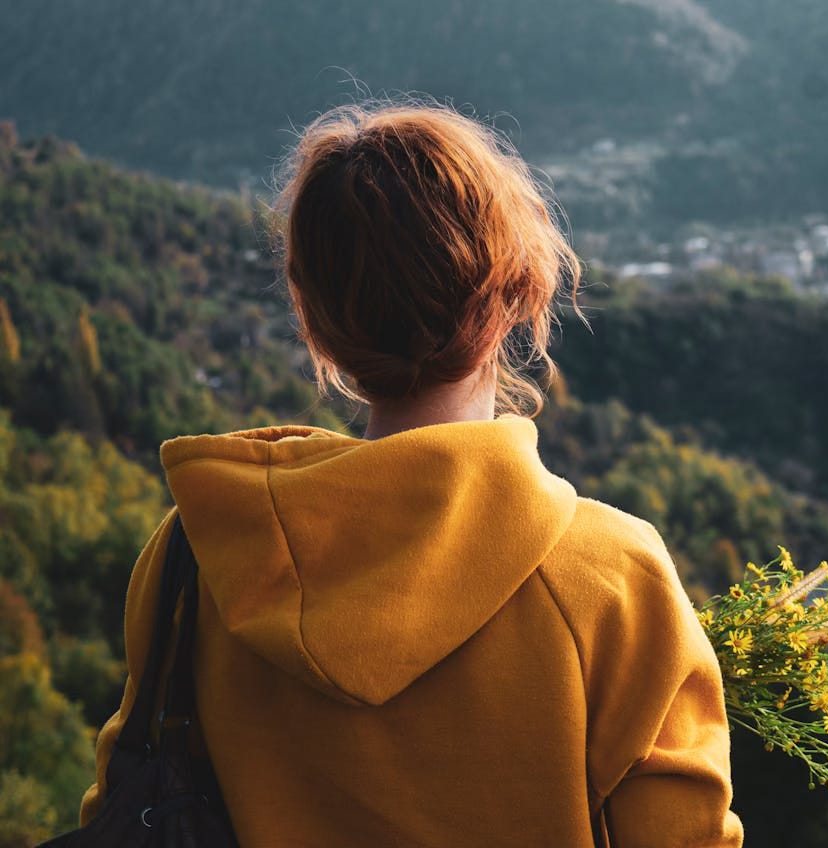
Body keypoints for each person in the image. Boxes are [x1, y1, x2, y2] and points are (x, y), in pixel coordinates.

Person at [79, 102, 744, 847]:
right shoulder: (613, 581)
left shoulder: (200, 556)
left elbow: (120, 804)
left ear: (315, 315)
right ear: (515, 295)